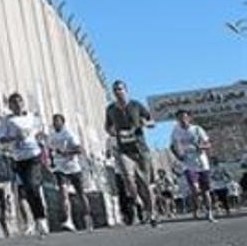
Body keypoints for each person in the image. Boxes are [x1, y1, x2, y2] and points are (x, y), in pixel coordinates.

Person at [104, 80, 158, 227]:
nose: (118, 92)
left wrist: (146, 124)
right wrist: (112, 132)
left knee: (145, 184)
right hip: (124, 150)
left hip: (140, 149)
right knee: (128, 177)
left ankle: (151, 212)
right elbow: (107, 127)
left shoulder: (136, 105)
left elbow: (152, 120)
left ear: (126, 90)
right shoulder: (110, 109)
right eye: (115, 90)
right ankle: (137, 201)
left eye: (120, 89)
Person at [0, 93, 49, 238]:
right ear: (10, 106)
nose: (17, 105)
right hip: (19, 159)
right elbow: (0, 139)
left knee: (32, 186)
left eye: (19, 102)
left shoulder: (32, 117)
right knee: (27, 190)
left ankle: (41, 220)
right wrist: (14, 137)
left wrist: (45, 151)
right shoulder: (7, 121)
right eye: (14, 103)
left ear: (23, 103)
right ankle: (36, 219)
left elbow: (41, 134)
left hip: (34, 156)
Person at [48, 114, 91, 231]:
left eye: (57, 121)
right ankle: (68, 220)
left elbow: (79, 149)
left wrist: (66, 152)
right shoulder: (51, 136)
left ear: (63, 122)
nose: (55, 123)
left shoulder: (69, 134)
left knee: (81, 193)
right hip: (59, 169)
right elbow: (50, 150)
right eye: (54, 121)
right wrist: (51, 162)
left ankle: (87, 219)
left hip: (73, 167)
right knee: (63, 194)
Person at [170, 110, 214, 222]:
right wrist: (178, 156)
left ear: (189, 118)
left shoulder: (197, 129)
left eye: (184, 117)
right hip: (188, 164)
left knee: (205, 191)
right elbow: (172, 146)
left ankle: (209, 213)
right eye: (179, 118)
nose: (182, 120)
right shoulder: (176, 131)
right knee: (194, 188)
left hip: (202, 163)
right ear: (177, 120)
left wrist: (202, 147)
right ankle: (196, 210)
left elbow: (208, 144)